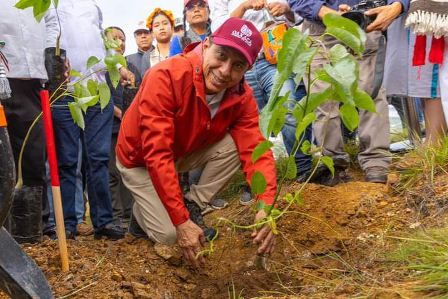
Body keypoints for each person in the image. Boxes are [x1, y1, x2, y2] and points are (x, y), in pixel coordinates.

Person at [116, 18, 276, 267]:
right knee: (169, 236)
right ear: (207, 43)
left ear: (248, 69)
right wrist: (180, 222)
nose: (224, 71)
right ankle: (141, 216)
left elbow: (255, 149)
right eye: (221, 56)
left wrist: (266, 206)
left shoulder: (242, 97)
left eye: (238, 65)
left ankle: (192, 203)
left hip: (181, 151)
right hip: (139, 159)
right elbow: (156, 152)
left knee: (237, 144)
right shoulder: (166, 75)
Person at [288, 0, 409, 184]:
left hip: (365, 22)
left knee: (370, 94)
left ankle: (376, 163)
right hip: (320, 29)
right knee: (323, 100)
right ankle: (332, 163)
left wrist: (396, 6)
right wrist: (326, 13)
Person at [45, 0, 135, 240]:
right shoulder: (49, 6)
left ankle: (103, 222)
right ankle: (67, 224)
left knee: (98, 158)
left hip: (97, 93)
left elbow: (104, 48)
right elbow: (46, 42)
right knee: (67, 162)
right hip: (65, 93)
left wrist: (119, 68)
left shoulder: (93, 7)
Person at [211, 0, 312, 186]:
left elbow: (299, 16)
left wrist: (286, 9)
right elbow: (217, 28)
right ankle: (258, 180)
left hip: (274, 58)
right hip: (241, 64)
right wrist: (244, 7)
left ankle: (304, 169)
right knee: (252, 125)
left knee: (288, 108)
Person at [0, 0, 48, 243]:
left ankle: (28, 233)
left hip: (32, 81)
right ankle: (4, 234)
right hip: (4, 77)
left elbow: (51, 23)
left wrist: (53, 52)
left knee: (32, 155)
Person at [384, 16, 446, 144]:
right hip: (417, 17)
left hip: (433, 18)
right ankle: (433, 143)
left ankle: (434, 144)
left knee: (431, 82)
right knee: (423, 82)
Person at [104, 26, 134, 228]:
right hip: (109, 127)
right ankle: (117, 216)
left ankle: (131, 215)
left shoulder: (131, 67)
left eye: (122, 39)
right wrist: (117, 112)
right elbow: (100, 96)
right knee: (112, 173)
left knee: (129, 171)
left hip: (129, 128)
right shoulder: (101, 68)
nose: (119, 43)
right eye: (114, 39)